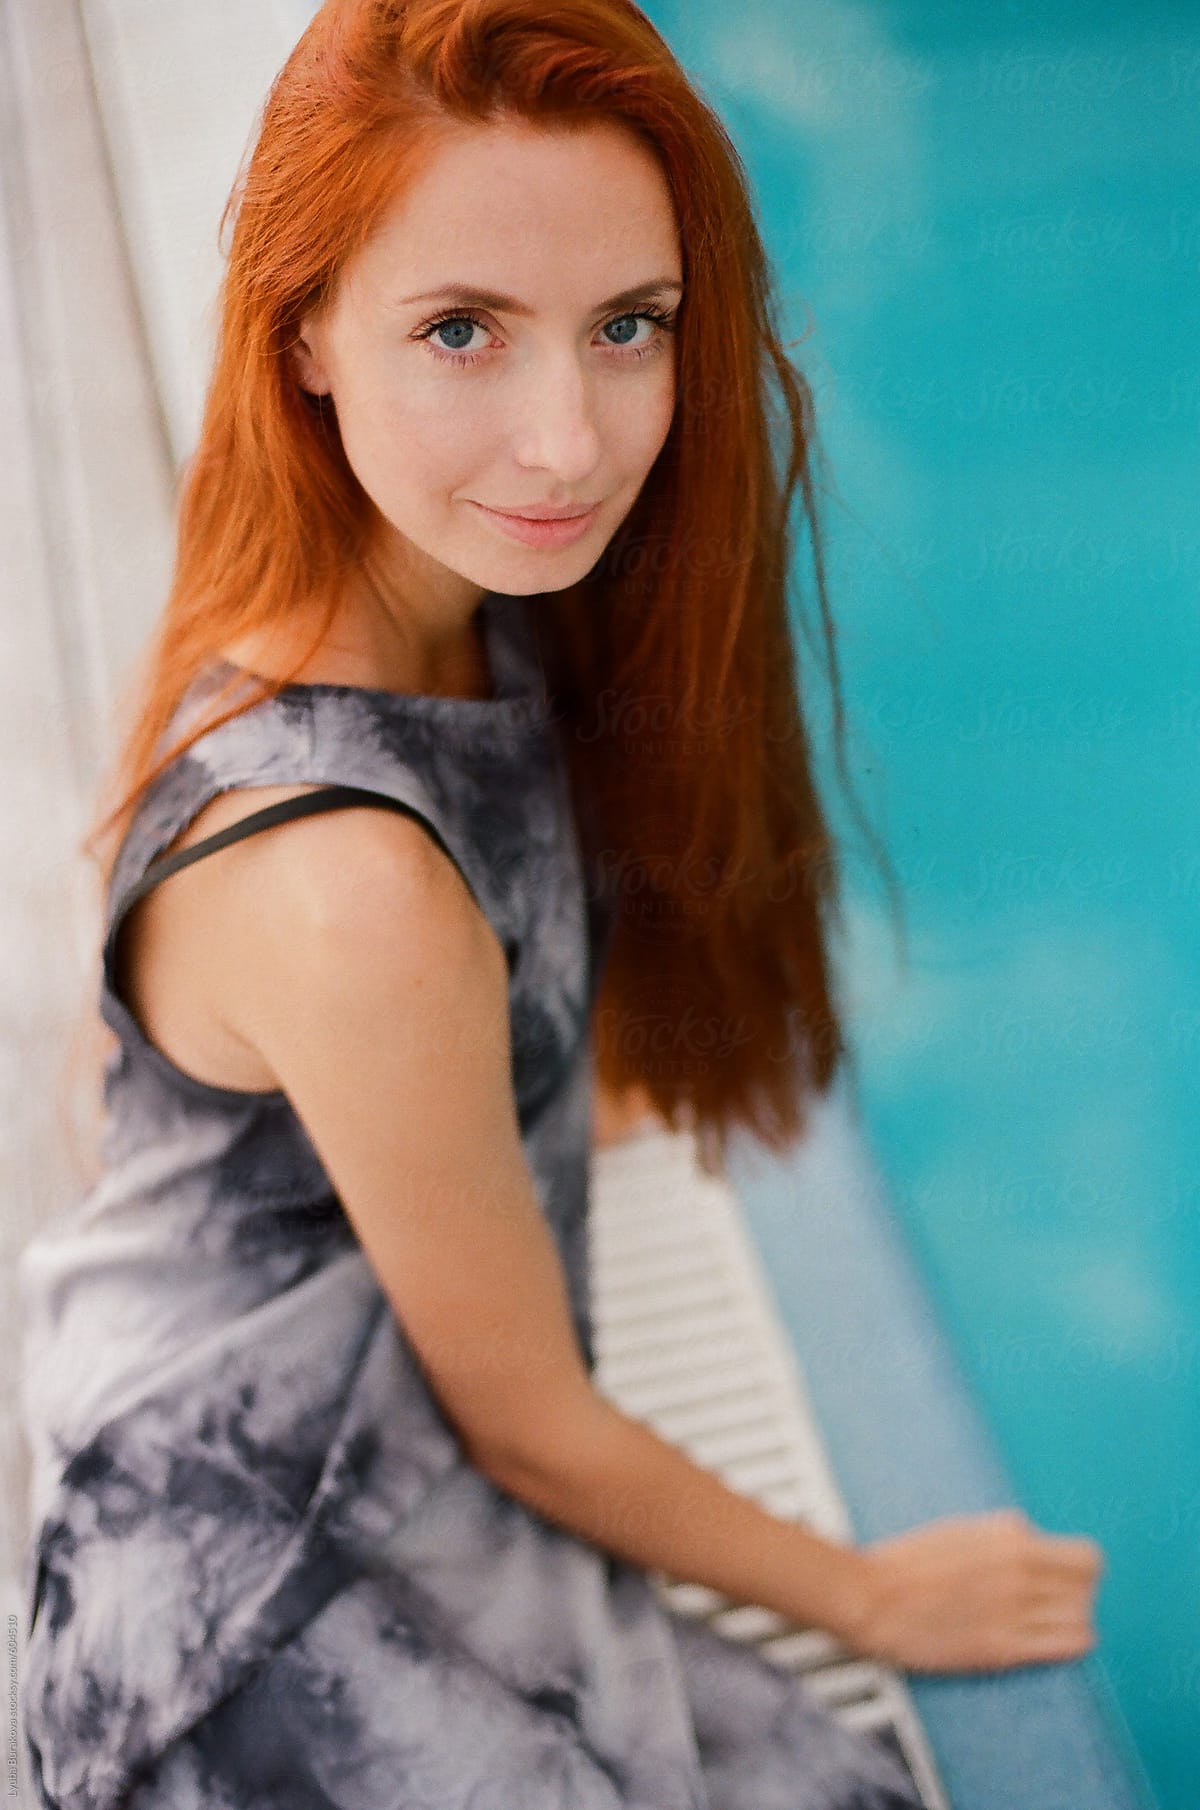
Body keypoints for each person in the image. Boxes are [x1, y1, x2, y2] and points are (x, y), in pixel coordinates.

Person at [16, 2, 1104, 1806]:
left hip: (347, 1405)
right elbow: (530, 1420)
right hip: (250, 1606)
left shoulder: (412, 594)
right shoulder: (347, 878)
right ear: (304, 335)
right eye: (461, 331)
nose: (568, 441)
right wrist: (869, 1591)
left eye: (630, 327)